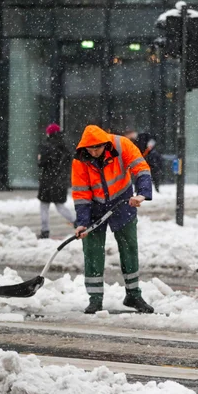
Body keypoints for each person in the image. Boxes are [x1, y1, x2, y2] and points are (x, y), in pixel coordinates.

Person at [72, 124, 154, 314]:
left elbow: (141, 168)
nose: (93, 152)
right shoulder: (80, 159)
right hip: (94, 206)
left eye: (97, 148)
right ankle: (95, 299)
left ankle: (133, 295)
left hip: (123, 201)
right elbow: (81, 193)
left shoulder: (122, 145)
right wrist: (82, 222)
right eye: (90, 148)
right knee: (92, 252)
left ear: (105, 144)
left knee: (129, 248)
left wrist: (142, 194)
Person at [37, 123, 75, 239]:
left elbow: (41, 163)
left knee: (44, 206)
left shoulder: (46, 146)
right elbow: (69, 162)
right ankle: (77, 222)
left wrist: (41, 159)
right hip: (60, 182)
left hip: (47, 182)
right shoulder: (64, 146)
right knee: (60, 206)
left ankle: (45, 231)